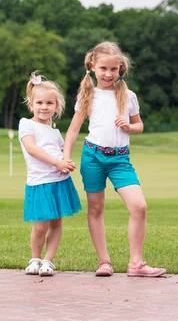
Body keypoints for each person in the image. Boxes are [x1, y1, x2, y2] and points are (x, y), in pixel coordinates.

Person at [63, 42, 166, 278]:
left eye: (114, 69)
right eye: (103, 68)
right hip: (93, 156)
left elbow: (139, 125)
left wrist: (130, 127)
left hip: (120, 160)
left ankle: (136, 264)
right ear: (92, 66)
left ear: (121, 68)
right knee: (96, 209)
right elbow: (73, 130)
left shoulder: (129, 96)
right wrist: (65, 157)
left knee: (139, 207)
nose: (109, 74)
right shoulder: (87, 95)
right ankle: (104, 262)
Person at [19, 72, 82, 277]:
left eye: (49, 103)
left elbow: (63, 151)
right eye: (39, 102)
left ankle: (48, 260)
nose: (44, 107)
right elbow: (32, 148)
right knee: (40, 225)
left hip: (59, 181)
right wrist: (57, 162)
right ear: (31, 104)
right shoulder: (26, 124)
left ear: (56, 107)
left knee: (56, 223)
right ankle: (35, 258)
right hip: (39, 182)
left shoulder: (55, 131)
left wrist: (67, 162)